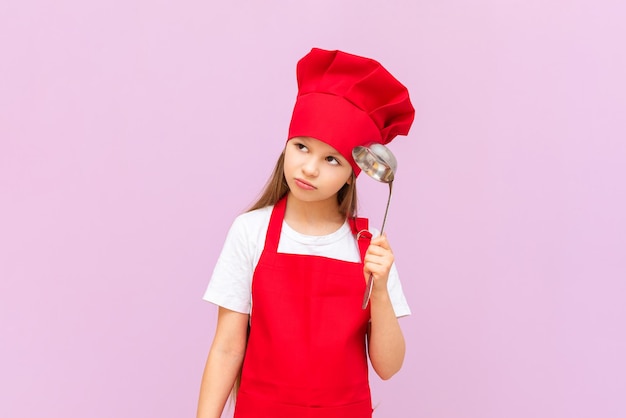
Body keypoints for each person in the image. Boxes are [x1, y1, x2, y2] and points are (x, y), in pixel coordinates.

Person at [197, 47, 415, 418]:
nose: (309, 168)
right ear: (286, 147)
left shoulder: (370, 246)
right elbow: (227, 348)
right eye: (301, 147)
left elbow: (388, 367)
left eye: (332, 159)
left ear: (354, 172)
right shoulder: (251, 231)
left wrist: (379, 289)